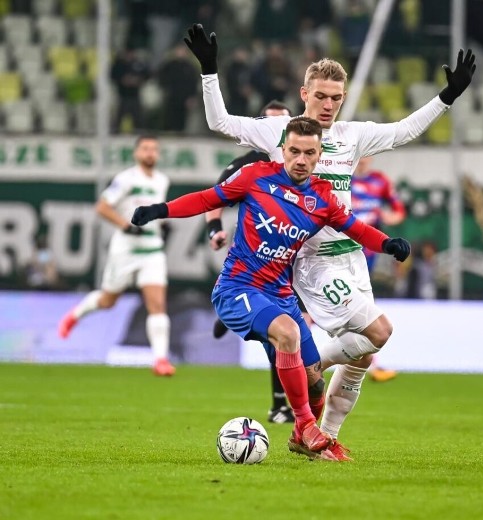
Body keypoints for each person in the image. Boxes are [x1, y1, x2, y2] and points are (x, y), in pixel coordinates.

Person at [183, 23, 475, 459]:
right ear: (304, 93)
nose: (329, 105)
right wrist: (209, 70)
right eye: (321, 96)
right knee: (378, 330)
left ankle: (324, 433)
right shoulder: (279, 132)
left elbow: (403, 131)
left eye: (336, 98)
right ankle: (309, 361)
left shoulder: (350, 136)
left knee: (365, 353)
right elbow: (219, 121)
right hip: (311, 261)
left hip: (352, 256)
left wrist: (445, 98)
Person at [130, 116, 412, 460]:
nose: (301, 159)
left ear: (319, 154)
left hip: (280, 295)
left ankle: (298, 437)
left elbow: (355, 228)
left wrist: (387, 244)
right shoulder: (256, 177)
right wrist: (159, 209)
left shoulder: (322, 198)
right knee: (289, 333)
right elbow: (207, 199)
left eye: (309, 153)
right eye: (294, 151)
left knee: (314, 383)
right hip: (238, 289)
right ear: (283, 150)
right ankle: (307, 425)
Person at [206, 100, 296, 424]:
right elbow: (213, 200)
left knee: (287, 333)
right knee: (282, 332)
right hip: (253, 263)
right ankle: (281, 406)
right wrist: (214, 231)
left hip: (290, 262)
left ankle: (284, 405)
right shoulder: (247, 166)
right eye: (269, 123)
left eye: (283, 124)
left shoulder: (300, 166)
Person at [57, 135, 176, 377]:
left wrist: (160, 224)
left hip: (152, 249)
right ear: (136, 153)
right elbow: (102, 206)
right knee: (107, 301)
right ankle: (74, 315)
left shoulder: (163, 180)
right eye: (145, 149)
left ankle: (160, 360)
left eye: (154, 149)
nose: (150, 153)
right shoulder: (126, 179)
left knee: (157, 304)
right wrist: (124, 225)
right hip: (126, 248)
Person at [350, 156, 407, 382]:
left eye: (367, 155)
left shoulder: (380, 181)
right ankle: (370, 364)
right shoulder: (343, 177)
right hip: (343, 249)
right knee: (357, 305)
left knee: (359, 305)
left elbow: (398, 210)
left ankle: (368, 363)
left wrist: (387, 217)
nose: (362, 160)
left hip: (368, 253)